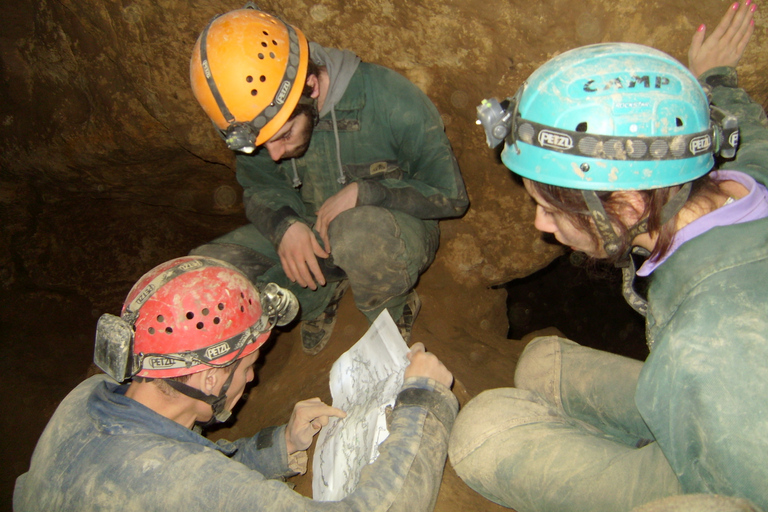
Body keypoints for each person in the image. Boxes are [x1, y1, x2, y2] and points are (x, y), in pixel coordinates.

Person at [449, 3, 767, 512]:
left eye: (550, 208)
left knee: (482, 431)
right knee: (538, 363)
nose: (540, 226)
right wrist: (715, 76)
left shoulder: (715, 340)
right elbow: (750, 128)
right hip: (699, 390)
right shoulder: (749, 169)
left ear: (628, 204)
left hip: (721, 467)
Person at [13, 255, 458, 511]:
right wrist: (422, 400)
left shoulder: (88, 398)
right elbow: (189, 481)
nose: (254, 377)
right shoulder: (171, 481)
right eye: (247, 367)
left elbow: (193, 467)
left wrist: (280, 445)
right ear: (210, 377)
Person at [188, 4, 468, 354]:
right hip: (311, 228)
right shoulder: (261, 119)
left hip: (388, 229)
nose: (274, 153)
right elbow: (260, 184)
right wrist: (284, 225)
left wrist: (367, 192)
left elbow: (450, 195)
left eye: (284, 135)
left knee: (358, 235)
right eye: (263, 144)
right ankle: (319, 297)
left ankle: (391, 311)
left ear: (311, 87)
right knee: (207, 269)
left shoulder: (390, 98)